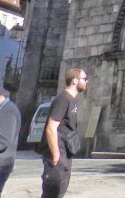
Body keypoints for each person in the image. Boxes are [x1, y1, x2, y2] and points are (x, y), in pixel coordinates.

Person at [41, 67, 88, 198]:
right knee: (52, 192)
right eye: (84, 79)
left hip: (65, 153)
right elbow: (51, 127)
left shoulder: (72, 100)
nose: (86, 82)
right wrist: (56, 154)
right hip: (58, 154)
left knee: (60, 191)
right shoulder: (63, 99)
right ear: (74, 80)